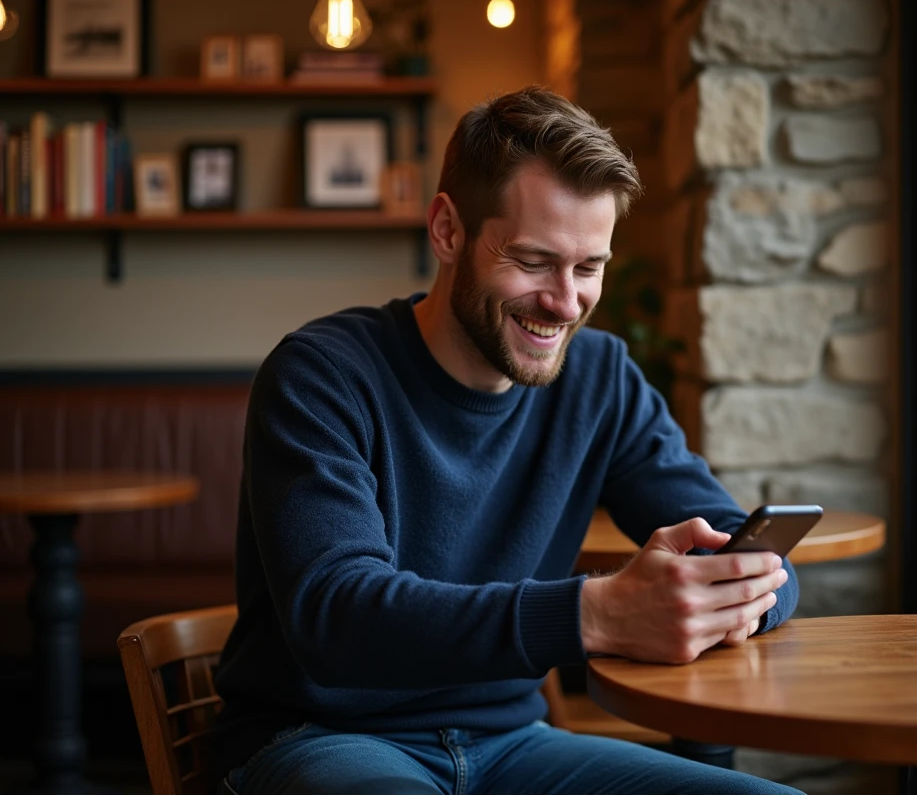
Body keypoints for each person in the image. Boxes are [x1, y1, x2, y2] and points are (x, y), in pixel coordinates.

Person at [213, 86, 801, 795]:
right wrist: (594, 614)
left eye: (589, 268)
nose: (564, 301)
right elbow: (336, 616)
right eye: (532, 261)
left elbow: (740, 539)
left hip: (513, 745)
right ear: (447, 230)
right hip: (322, 742)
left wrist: (741, 590)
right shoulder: (323, 374)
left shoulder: (601, 379)